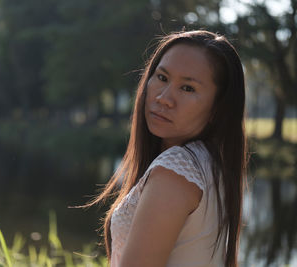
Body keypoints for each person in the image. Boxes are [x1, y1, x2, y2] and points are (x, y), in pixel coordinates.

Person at [86, 30, 247, 267]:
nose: (163, 98)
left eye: (187, 88)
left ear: (217, 109)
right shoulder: (211, 164)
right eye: (162, 77)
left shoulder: (175, 170)